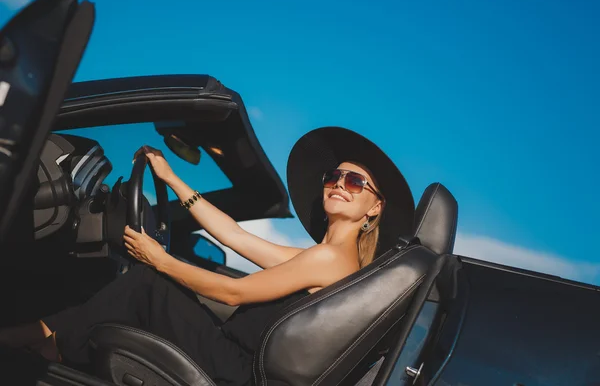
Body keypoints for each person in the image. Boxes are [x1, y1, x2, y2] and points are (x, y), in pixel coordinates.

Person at [0, 126, 414, 385]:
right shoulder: (326, 258)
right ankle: (36, 338)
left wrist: (157, 258)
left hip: (236, 369)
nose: (340, 183)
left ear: (373, 207)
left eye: (356, 181)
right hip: (232, 357)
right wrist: (173, 179)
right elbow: (233, 235)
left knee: (147, 284)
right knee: (141, 288)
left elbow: (233, 293)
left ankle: (44, 352)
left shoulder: (329, 262)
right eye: (334, 176)